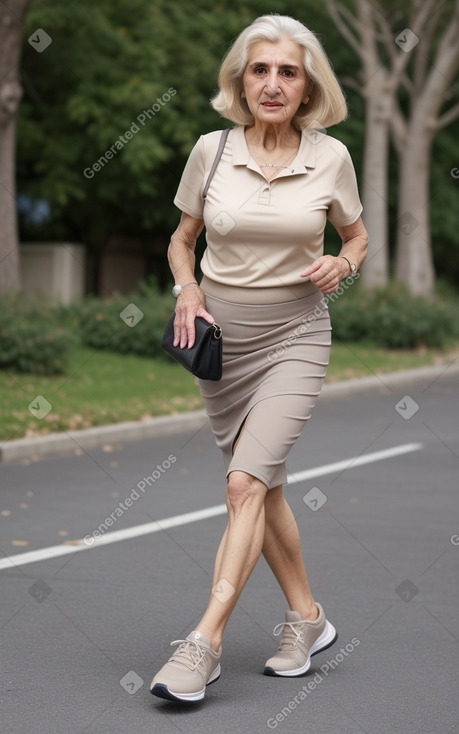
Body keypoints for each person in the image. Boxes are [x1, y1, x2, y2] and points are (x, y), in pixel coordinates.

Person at [150, 13, 368, 703]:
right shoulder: (210, 151)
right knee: (263, 486)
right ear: (240, 81)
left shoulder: (329, 156)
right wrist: (186, 288)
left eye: (287, 72)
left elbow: (356, 235)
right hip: (224, 348)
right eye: (259, 70)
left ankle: (204, 640)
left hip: (294, 338)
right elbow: (181, 239)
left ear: (307, 87)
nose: (272, 84)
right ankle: (306, 618)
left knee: (243, 486)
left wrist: (343, 264)